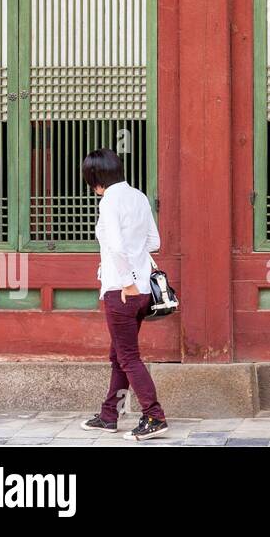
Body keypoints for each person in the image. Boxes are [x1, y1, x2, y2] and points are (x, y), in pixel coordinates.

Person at [77, 149, 168, 442]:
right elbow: (154, 241)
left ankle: (154, 416)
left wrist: (127, 282)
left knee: (128, 357)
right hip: (142, 290)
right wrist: (135, 271)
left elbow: (115, 246)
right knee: (119, 355)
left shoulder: (110, 202)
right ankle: (108, 415)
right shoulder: (138, 196)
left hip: (122, 290)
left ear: (94, 177)